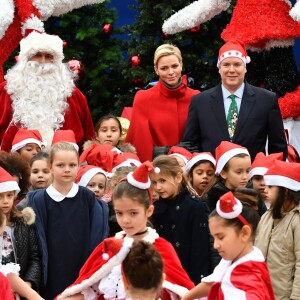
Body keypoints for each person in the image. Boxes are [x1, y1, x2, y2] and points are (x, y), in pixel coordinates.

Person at [56, 161, 195, 300]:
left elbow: (183, 291)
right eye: (119, 213)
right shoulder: (107, 247)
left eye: (133, 213)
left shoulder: (162, 249)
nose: (125, 220)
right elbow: (84, 289)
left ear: (149, 211)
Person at [27, 142, 109, 299]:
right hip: (50, 274)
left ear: (78, 166)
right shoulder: (38, 200)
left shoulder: (88, 198)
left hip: (81, 272)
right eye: (60, 165)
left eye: (72, 165)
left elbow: (97, 236)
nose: (67, 169)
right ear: (50, 166)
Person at [182, 40, 287, 161]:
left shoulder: (267, 100)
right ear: (219, 68)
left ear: (245, 68)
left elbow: (278, 149)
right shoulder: (200, 102)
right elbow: (189, 144)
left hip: (251, 176)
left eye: (237, 64)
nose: (231, 70)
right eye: (226, 65)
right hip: (213, 177)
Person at [0, 30, 94, 151]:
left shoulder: (73, 95)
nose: (43, 61)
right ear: (26, 59)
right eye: (37, 55)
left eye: (49, 56)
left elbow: (89, 137)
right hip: (12, 166)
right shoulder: (7, 90)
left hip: (63, 166)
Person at [182, 191, 275, 300]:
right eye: (214, 238)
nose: (215, 245)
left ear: (244, 233)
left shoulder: (248, 275)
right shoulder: (234, 256)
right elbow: (212, 282)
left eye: (220, 237)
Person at [126, 43, 200, 162]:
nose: (170, 72)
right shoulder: (143, 98)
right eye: (164, 68)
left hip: (192, 169)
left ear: (181, 65)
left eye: (174, 66)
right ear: (156, 70)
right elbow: (138, 145)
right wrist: (168, 150)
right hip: (158, 169)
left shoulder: (196, 97)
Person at [150, 155, 210, 284]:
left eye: (162, 181)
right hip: (164, 275)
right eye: (154, 182)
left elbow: (200, 250)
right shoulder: (156, 209)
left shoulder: (195, 207)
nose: (158, 187)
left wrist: (197, 282)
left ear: (178, 177)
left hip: (187, 274)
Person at [255, 160, 300, 300]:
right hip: (261, 292)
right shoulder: (266, 217)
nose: (265, 189)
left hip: (284, 295)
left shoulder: (297, 220)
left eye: (270, 186)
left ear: (285, 191)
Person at [0, 168, 42, 299]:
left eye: (9, 195)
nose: (6, 201)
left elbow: (35, 257)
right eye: (0, 196)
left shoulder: (23, 222)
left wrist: (27, 284)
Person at [202, 141, 252, 213]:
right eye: (239, 172)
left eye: (247, 171)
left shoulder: (252, 194)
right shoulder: (212, 198)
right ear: (223, 173)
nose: (245, 177)